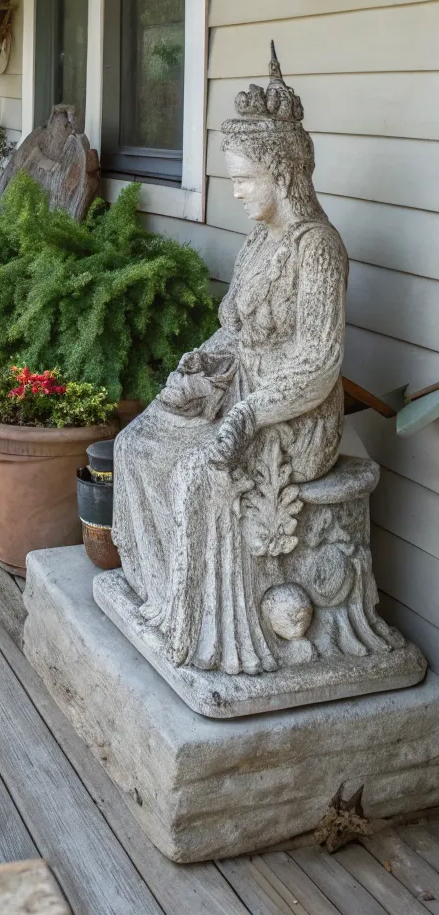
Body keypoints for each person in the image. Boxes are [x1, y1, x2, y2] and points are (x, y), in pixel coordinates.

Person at [110, 45, 348, 676]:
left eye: (245, 178)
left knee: (196, 468)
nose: (236, 190)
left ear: (284, 175)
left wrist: (244, 415)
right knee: (137, 443)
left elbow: (320, 363)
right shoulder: (255, 244)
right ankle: (160, 589)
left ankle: (203, 622)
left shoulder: (317, 249)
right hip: (242, 390)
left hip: (294, 416)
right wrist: (200, 364)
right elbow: (231, 331)